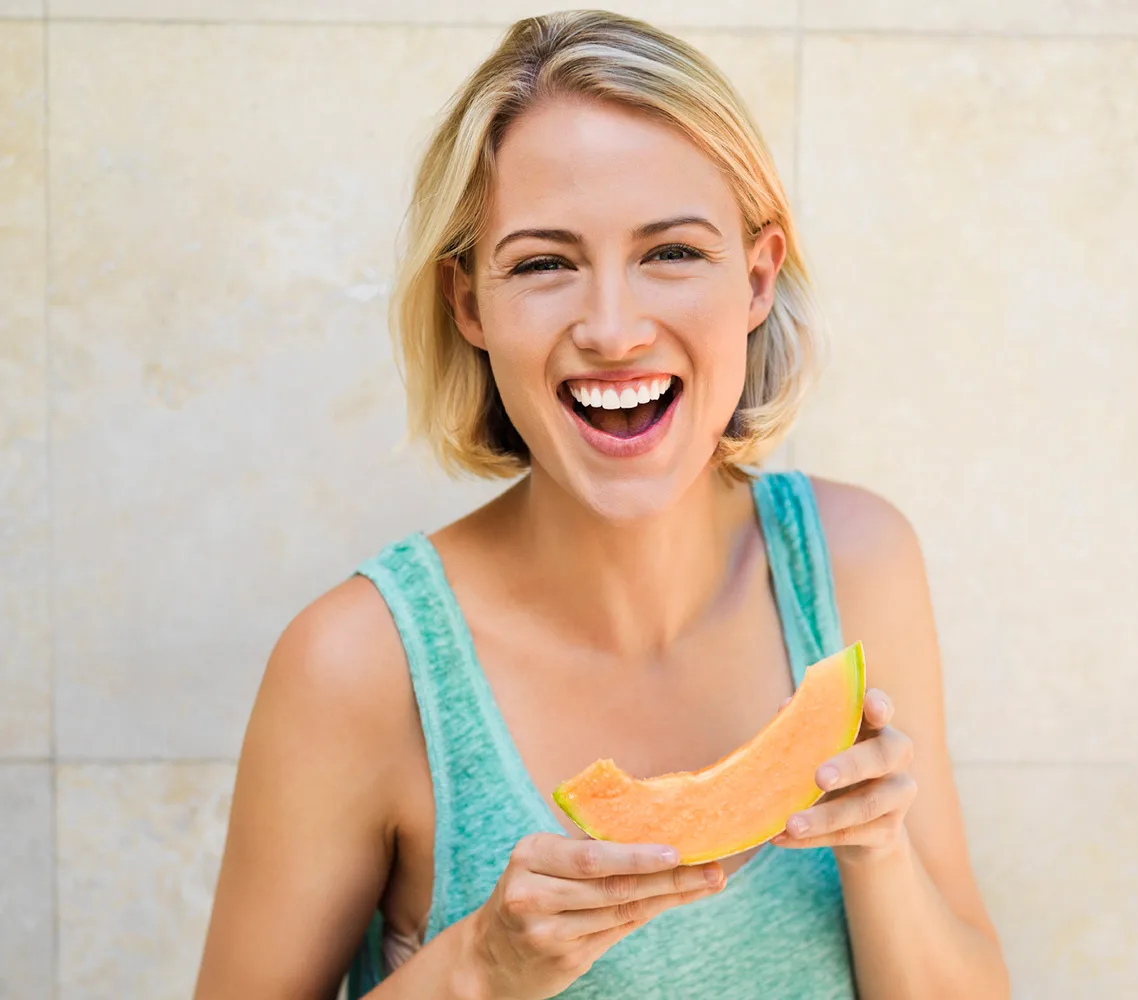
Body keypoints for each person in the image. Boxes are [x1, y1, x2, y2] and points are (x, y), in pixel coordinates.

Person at [194, 10, 1009, 1000]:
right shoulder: (358, 668)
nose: (614, 330)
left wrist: (878, 852)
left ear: (755, 277)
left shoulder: (855, 563)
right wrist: (477, 971)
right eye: (544, 263)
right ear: (470, 305)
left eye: (670, 252)